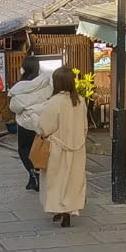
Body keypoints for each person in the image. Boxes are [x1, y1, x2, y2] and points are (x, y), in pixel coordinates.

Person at [36, 67, 88, 228]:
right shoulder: (80, 101)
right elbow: (85, 126)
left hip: (56, 147)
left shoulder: (54, 102)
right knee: (73, 180)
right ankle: (69, 211)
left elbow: (45, 127)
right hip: (77, 148)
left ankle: (58, 210)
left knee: (55, 181)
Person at [8, 56, 52, 191]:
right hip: (42, 120)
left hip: (25, 122)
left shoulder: (20, 87)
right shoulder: (45, 82)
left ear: (24, 68)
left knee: (24, 149)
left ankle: (33, 172)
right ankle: (35, 177)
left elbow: (15, 107)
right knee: (39, 148)